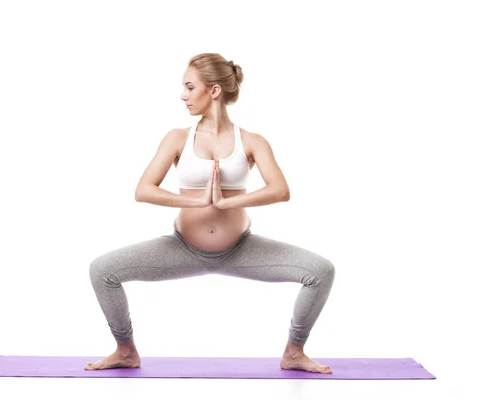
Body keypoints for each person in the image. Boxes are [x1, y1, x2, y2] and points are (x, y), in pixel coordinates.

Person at [86, 53, 335, 374]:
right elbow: (144, 189)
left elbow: (281, 190)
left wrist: (226, 203)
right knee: (102, 271)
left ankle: (294, 352)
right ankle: (125, 350)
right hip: (181, 248)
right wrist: (197, 202)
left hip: (241, 250)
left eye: (190, 87)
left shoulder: (252, 141)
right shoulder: (177, 138)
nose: (183, 95)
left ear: (214, 91)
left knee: (321, 272)